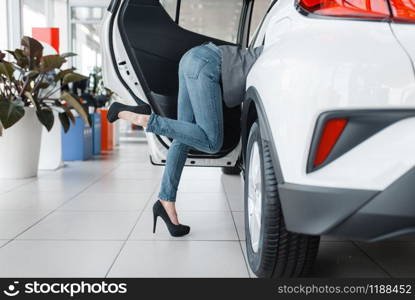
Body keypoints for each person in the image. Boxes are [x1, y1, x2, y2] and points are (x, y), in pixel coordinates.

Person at [107, 42, 263, 237]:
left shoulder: (262, 50)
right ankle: (142, 118)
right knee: (212, 142)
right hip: (206, 64)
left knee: (182, 137)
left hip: (192, 59)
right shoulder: (272, 58)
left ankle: (166, 202)